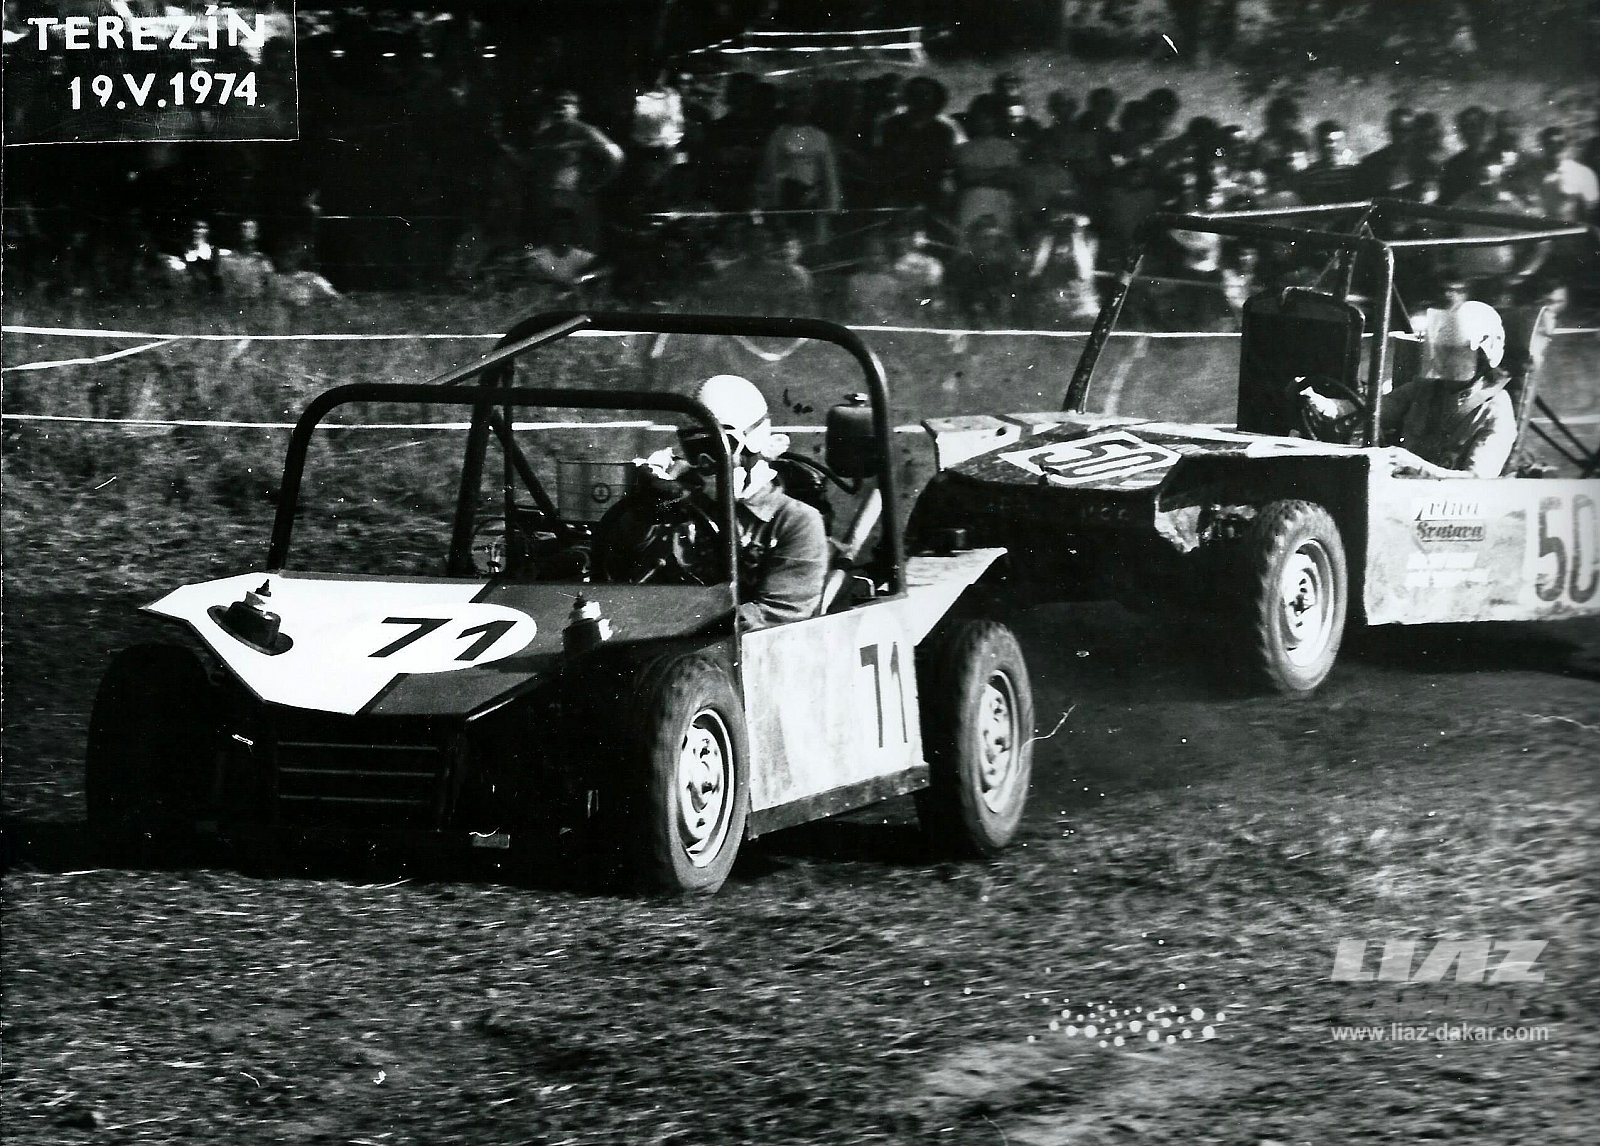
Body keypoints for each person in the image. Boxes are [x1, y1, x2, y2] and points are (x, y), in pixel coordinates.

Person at [655, 375, 829, 629]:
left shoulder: (796, 521)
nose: (705, 462)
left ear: (753, 442)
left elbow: (774, 614)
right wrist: (645, 512)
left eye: (715, 446)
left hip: (744, 646)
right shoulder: (682, 506)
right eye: (695, 449)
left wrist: (672, 624)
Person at [1381, 297, 1516, 478]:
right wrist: (1340, 407)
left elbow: (1477, 480)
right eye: (1442, 350)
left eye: (1455, 352)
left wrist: (1417, 468)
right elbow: (1376, 410)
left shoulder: (1496, 409)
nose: (1444, 359)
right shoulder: (1422, 390)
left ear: (1482, 356)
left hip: (1447, 496)